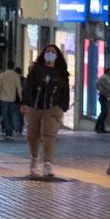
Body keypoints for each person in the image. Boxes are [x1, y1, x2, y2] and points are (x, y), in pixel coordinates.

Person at [24, 43, 70, 178]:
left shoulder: (61, 73)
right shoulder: (36, 70)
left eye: (53, 52)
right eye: (47, 51)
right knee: (33, 135)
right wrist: (26, 103)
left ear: (57, 56)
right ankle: (33, 159)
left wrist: (62, 107)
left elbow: (65, 92)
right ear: (43, 54)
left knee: (49, 135)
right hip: (36, 107)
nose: (50, 54)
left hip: (52, 108)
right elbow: (28, 87)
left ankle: (47, 164)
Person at [0, 61, 23, 139]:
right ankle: (10, 132)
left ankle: (8, 131)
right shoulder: (16, 76)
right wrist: (21, 97)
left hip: (3, 99)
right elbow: (19, 87)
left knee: (5, 116)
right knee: (11, 115)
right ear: (13, 67)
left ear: (7, 66)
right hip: (12, 99)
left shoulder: (2, 75)